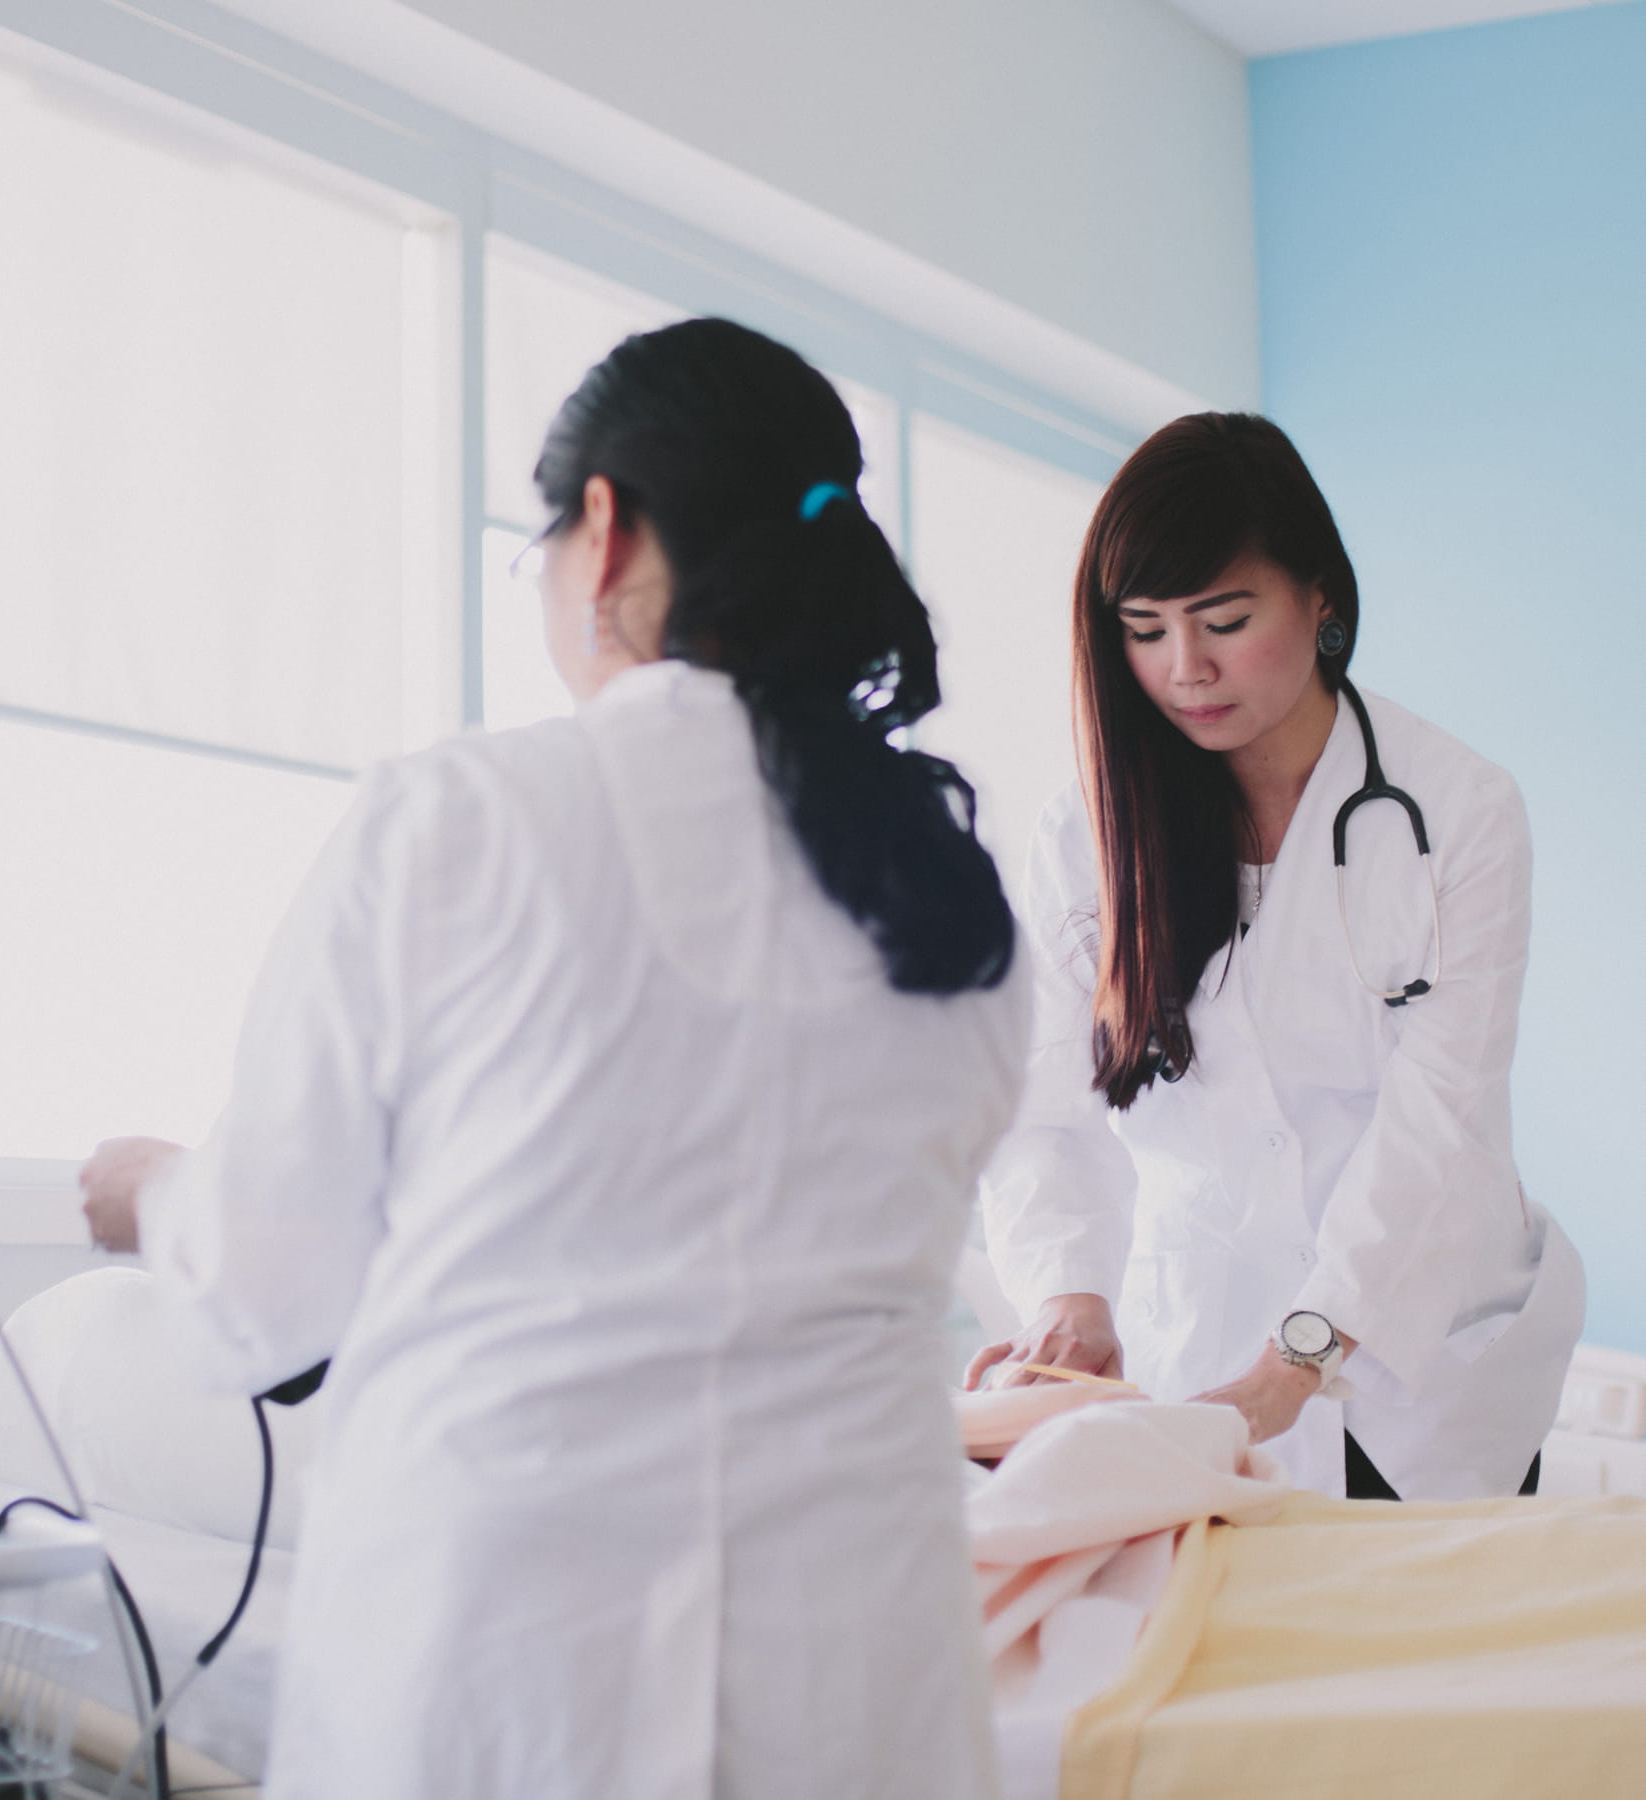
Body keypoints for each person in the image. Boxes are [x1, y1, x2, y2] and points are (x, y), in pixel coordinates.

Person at [77, 318, 1025, 1799]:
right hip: (855, 1670)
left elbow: (264, 1291)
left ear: (604, 527)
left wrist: (149, 1192)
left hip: (515, 1664)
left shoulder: (463, 819)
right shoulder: (946, 899)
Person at [966, 413, 1582, 1502]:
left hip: (1417, 1369)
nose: (1185, 669)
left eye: (1225, 620)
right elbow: (1046, 1108)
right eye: (1144, 629)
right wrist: (1069, 1295)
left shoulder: (1459, 811)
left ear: (1319, 600)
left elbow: (1437, 1124)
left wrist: (1297, 1360)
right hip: (1191, 1351)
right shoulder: (1087, 838)